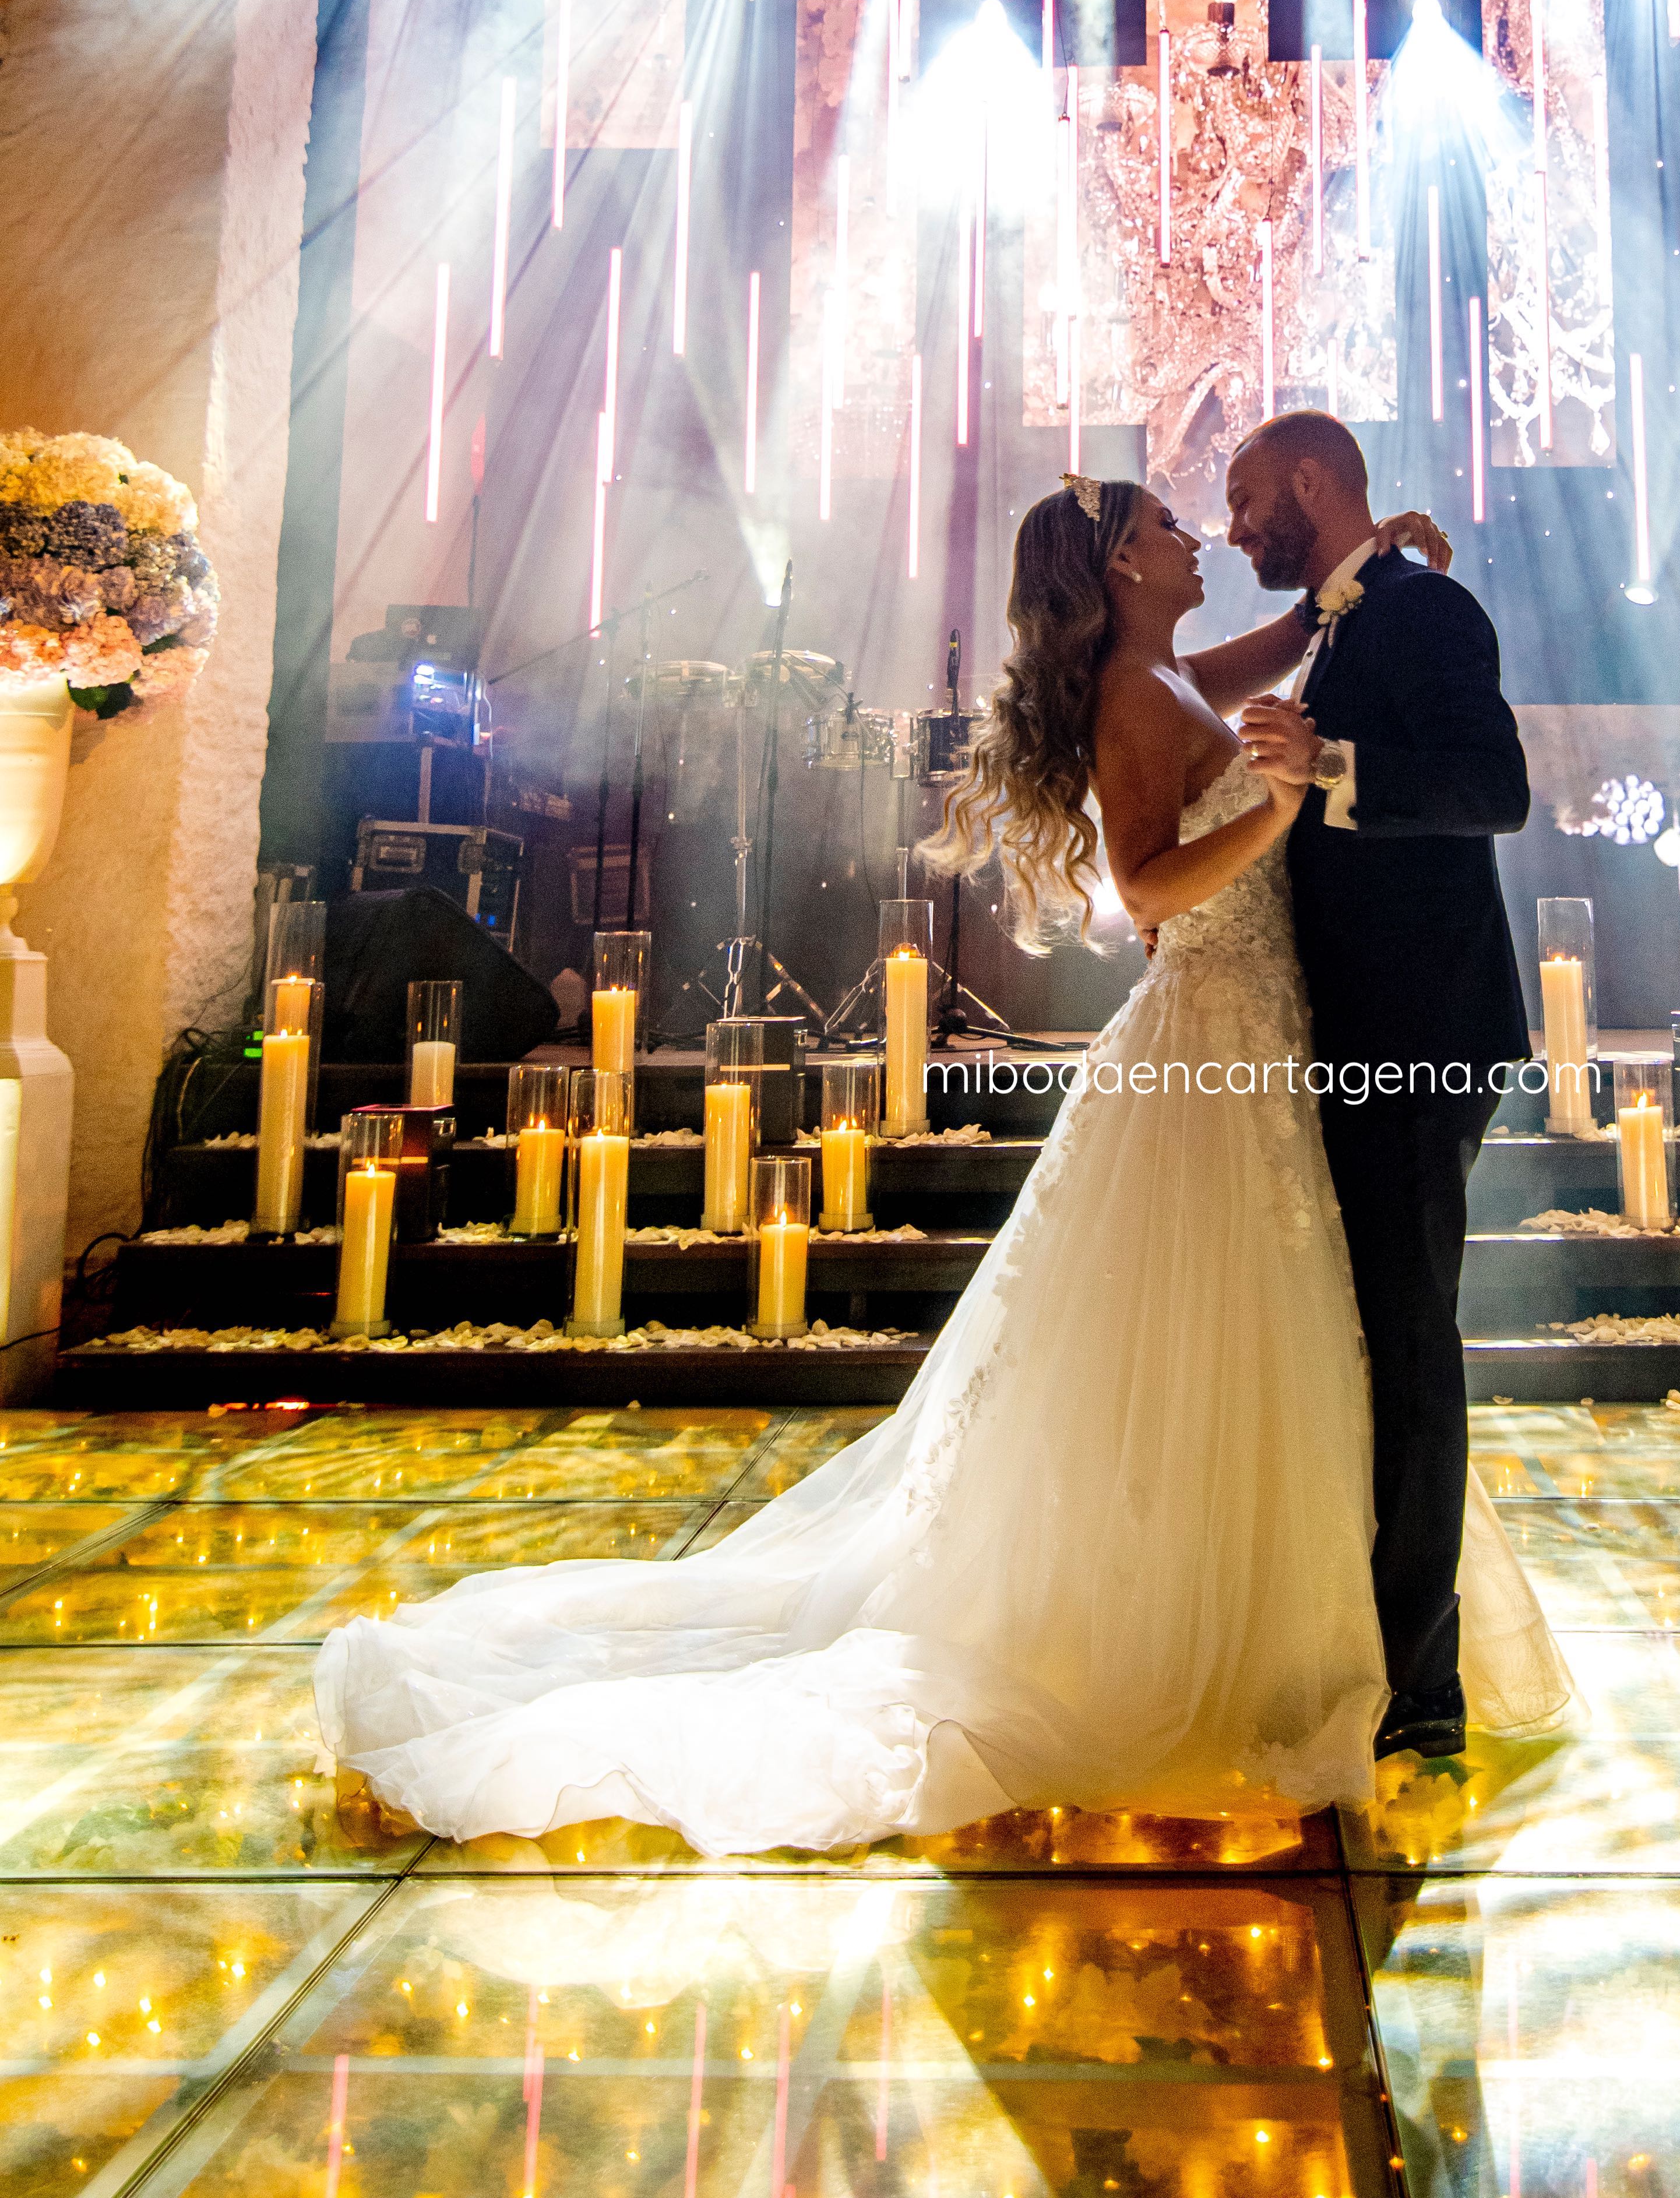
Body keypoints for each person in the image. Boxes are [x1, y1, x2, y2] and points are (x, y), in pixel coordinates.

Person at [313, 466, 1563, 1854]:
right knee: (1216, 1324)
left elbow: (1283, 644)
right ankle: (1212, 1631)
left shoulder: (1166, 672)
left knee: (1251, 1330)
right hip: (1216, 1029)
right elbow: (1146, 884)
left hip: (1260, 1032)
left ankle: (1269, 1608)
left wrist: (1363, 562)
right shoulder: (1135, 694)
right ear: (1120, 567)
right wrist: (1274, 806)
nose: (1196, 536)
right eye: (1166, 525)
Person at [1225, 410, 1540, 1764]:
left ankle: (1419, 1684)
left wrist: (1328, 769)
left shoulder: (1422, 609)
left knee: (1409, 1343)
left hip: (1418, 1032)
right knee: (1371, 1334)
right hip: (1354, 1029)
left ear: (1311, 481)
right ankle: (1362, 1632)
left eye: (1246, 496)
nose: (1234, 525)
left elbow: (1495, 787)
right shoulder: (1345, 618)